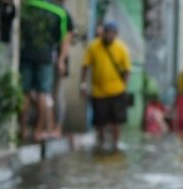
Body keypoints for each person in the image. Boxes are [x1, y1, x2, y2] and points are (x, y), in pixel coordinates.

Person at [19, 0, 74, 141]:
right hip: (45, 57)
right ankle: (38, 131)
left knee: (23, 92)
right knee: (44, 93)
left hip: (25, 54)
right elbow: (66, 39)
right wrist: (61, 60)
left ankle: (22, 130)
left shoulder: (27, 4)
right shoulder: (60, 12)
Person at [80, 21, 132, 152]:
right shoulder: (93, 47)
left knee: (117, 120)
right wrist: (83, 84)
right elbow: (85, 66)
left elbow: (127, 70)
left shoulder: (121, 49)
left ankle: (116, 143)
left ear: (116, 34)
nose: (109, 36)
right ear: (103, 33)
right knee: (99, 121)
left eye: (111, 33)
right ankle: (101, 142)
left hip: (117, 90)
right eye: (107, 33)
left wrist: (125, 87)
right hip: (99, 91)